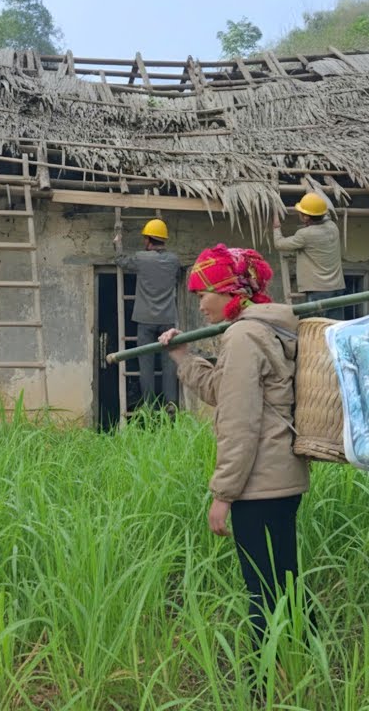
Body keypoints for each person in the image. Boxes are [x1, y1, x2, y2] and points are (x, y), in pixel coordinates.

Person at [160, 244, 311, 640]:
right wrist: (184, 358)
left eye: (203, 293)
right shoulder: (259, 330)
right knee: (285, 581)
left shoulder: (244, 335)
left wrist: (223, 494)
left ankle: (259, 684)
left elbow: (239, 421)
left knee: (262, 589)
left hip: (259, 483)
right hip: (281, 476)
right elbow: (222, 390)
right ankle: (305, 661)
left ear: (230, 291)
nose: (200, 305)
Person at [114, 218, 181, 412]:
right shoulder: (174, 260)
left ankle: (149, 405)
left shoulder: (141, 258)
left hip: (145, 320)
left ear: (148, 240)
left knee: (146, 366)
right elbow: (176, 277)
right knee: (169, 365)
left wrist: (117, 244)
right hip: (167, 319)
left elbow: (120, 262)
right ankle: (171, 406)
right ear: (163, 239)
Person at [272, 192, 346, 320]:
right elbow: (323, 216)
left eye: (301, 212)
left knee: (313, 327)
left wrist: (276, 227)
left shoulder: (305, 235)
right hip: (337, 287)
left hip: (318, 291)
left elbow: (279, 244)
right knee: (334, 325)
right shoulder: (333, 227)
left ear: (306, 217)